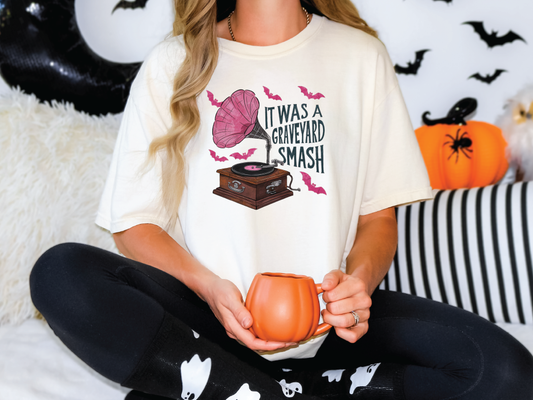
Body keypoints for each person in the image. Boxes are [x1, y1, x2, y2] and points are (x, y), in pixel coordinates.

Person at [29, 0, 533, 399]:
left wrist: (356, 287)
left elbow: (378, 220)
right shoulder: (172, 63)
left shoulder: (361, 56)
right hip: (211, 320)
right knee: (60, 273)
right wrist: (209, 288)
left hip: (330, 328)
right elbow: (132, 225)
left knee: (506, 373)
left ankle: (232, 390)